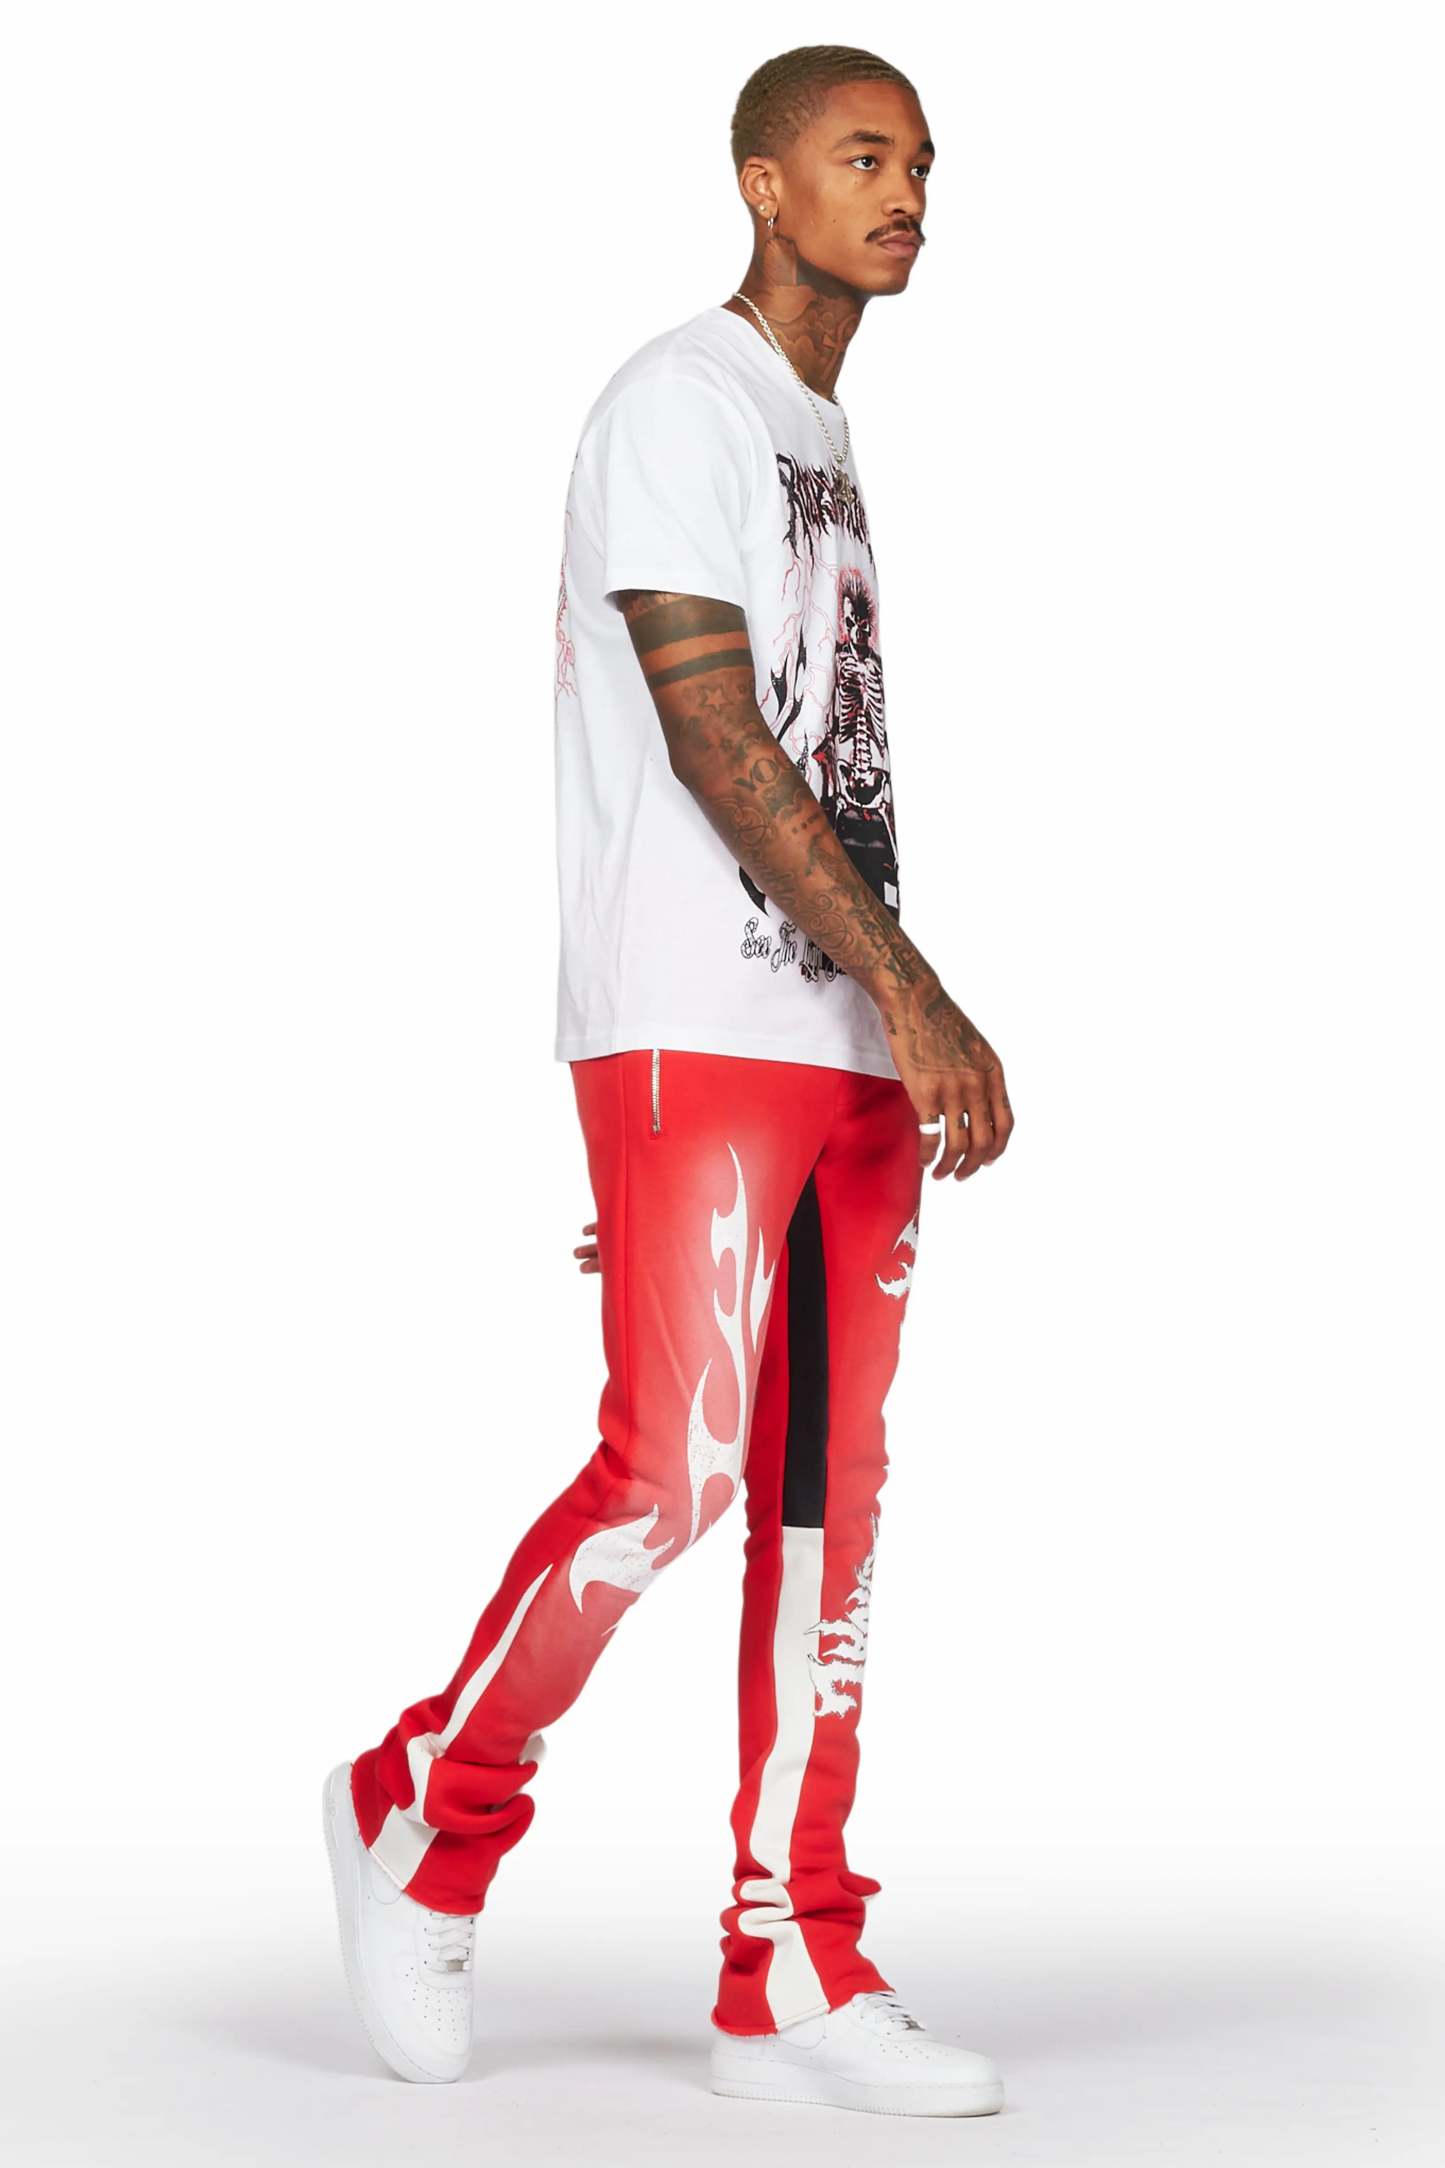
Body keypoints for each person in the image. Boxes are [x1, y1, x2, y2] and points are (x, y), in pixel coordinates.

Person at [323, 43, 1014, 2118]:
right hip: (707, 1020)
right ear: (761, 183)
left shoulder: (818, 433)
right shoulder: (677, 404)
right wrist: (920, 993)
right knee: (674, 1472)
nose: (905, 193)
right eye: (861, 157)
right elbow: (713, 733)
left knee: (824, 1503)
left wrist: (882, 1010)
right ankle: (426, 1808)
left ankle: (788, 1957)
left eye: (921, 162)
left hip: (839, 1035)